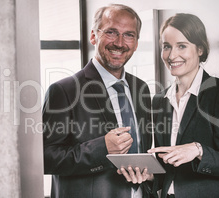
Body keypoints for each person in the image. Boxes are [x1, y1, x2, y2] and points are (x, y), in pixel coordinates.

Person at [121, 13, 219, 197]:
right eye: (167, 47)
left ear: (200, 49)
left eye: (182, 46)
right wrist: (149, 175)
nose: (172, 55)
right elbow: (169, 168)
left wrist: (198, 149)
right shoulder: (160, 100)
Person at [42, 4, 152, 198]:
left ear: (136, 43)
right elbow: (45, 158)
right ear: (93, 36)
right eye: (111, 32)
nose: (119, 43)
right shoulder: (64, 90)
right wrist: (103, 148)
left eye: (129, 35)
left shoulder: (141, 88)